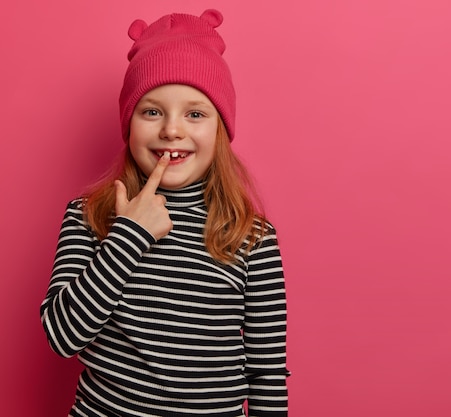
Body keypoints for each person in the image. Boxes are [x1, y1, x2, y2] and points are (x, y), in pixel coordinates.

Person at [40, 9, 289, 416]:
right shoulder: (88, 216)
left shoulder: (251, 236)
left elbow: (267, 371)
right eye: (152, 111)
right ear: (129, 124)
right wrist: (129, 236)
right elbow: (62, 336)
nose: (172, 129)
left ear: (220, 130)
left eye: (195, 113)